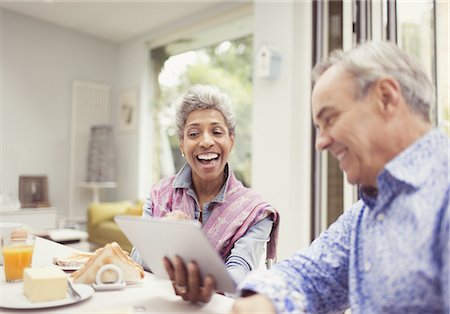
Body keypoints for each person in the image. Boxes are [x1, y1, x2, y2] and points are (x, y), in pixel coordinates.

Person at [231, 41, 449, 313]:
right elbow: (309, 275)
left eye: (330, 119)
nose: (320, 143)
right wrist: (261, 303)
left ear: (386, 97)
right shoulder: (365, 214)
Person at [131, 84, 279, 303]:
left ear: (231, 140)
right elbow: (137, 257)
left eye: (217, 132)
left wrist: (188, 247)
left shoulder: (256, 212)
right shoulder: (159, 193)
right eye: (193, 133)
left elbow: (237, 278)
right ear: (182, 144)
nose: (206, 141)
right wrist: (166, 233)